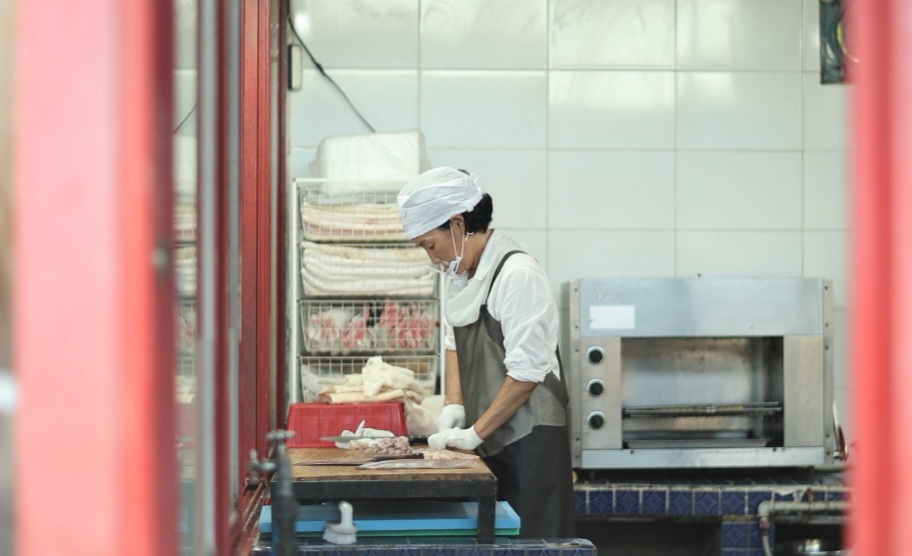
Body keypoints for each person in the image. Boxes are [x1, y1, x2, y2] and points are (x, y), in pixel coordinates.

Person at [397, 166, 576, 539]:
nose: (433, 259)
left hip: (531, 443)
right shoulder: (461, 276)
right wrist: (453, 407)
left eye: (431, 245)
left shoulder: (517, 274)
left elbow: (528, 372)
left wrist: (475, 432)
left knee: (535, 542)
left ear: (458, 224)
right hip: (490, 436)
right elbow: (453, 337)